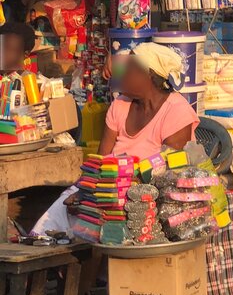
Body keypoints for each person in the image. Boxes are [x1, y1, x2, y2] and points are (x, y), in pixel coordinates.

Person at [32, 42, 199, 236]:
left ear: (149, 75)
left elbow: (169, 177)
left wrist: (105, 196)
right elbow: (100, 161)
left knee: (98, 224)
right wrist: (85, 193)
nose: (121, 73)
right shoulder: (120, 105)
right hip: (108, 188)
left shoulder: (177, 112)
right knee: (60, 209)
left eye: (129, 68)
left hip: (147, 196)